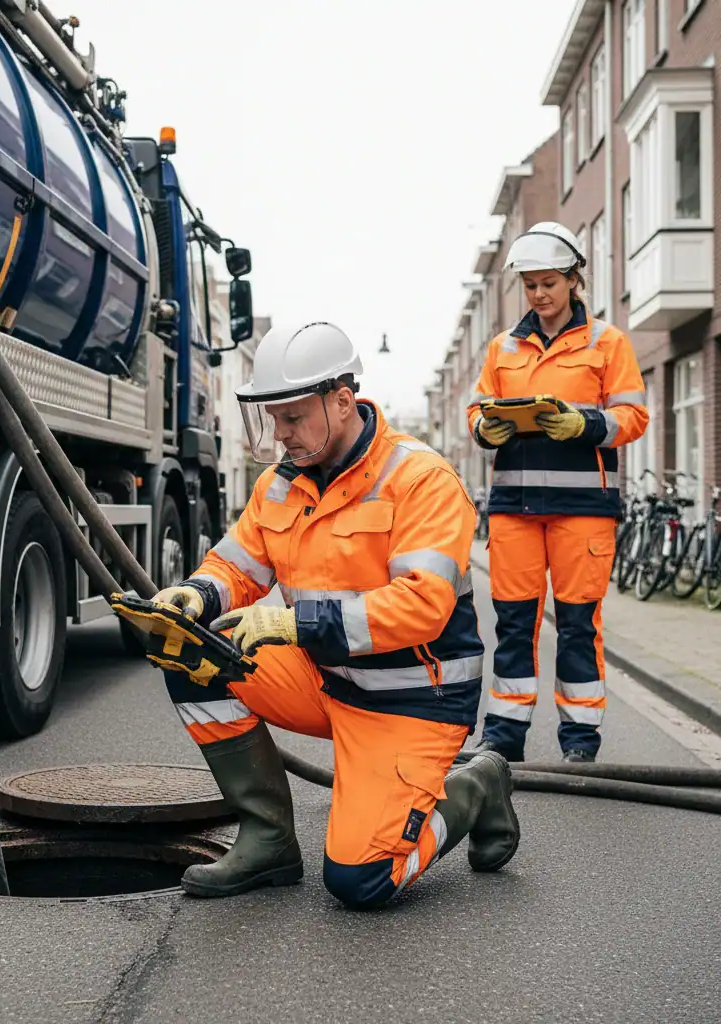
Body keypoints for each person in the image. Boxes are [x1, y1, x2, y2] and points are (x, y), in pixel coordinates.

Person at [149, 321, 520, 909]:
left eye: (293, 418)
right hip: (328, 679)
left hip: (411, 700)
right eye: (274, 420)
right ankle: (268, 839)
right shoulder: (279, 485)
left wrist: (293, 625)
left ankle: (474, 787)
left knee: (361, 881)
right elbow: (238, 566)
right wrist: (196, 596)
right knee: (193, 653)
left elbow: (423, 607)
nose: (281, 435)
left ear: (342, 401)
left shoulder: (420, 480)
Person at [466, 222, 648, 764]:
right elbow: (478, 411)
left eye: (549, 282)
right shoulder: (503, 348)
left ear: (573, 280)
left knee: (576, 624)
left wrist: (586, 425)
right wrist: (485, 428)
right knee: (514, 625)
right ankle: (503, 736)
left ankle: (580, 740)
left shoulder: (607, 342)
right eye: (530, 285)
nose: (539, 294)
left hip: (583, 512)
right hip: (515, 511)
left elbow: (633, 416)